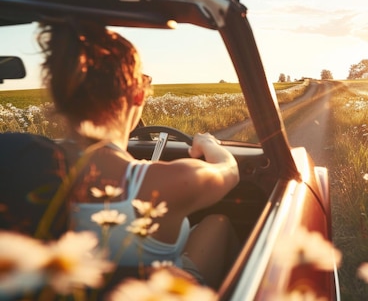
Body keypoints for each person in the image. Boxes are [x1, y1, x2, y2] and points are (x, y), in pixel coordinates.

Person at [36, 19, 240, 288]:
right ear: (137, 95)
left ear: (60, 97)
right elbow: (230, 170)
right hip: (155, 291)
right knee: (218, 222)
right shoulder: (171, 181)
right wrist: (208, 142)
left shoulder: (21, 162)